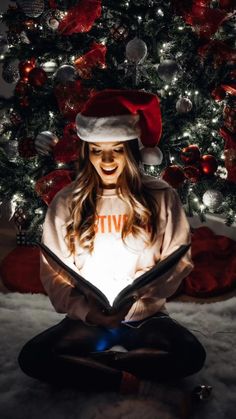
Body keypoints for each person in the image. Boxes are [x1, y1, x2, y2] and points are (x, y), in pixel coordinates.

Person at [18, 89, 206, 394]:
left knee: (191, 356)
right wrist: (90, 313)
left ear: (131, 150)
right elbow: (54, 275)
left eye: (116, 149)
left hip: (146, 318)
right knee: (33, 357)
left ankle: (98, 365)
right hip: (90, 320)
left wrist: (135, 303)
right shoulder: (66, 202)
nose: (106, 160)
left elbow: (178, 262)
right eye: (96, 150)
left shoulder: (161, 197)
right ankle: (121, 374)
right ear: (86, 152)